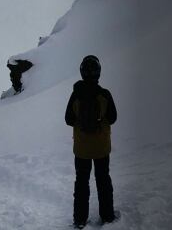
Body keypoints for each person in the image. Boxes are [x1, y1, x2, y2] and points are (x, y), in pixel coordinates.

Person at [65, 55, 117, 228]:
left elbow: (68, 119)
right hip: (101, 147)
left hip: (81, 149)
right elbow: (113, 118)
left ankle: (80, 220)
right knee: (103, 180)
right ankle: (107, 216)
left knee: (81, 182)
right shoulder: (104, 94)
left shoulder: (76, 94)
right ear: (98, 73)